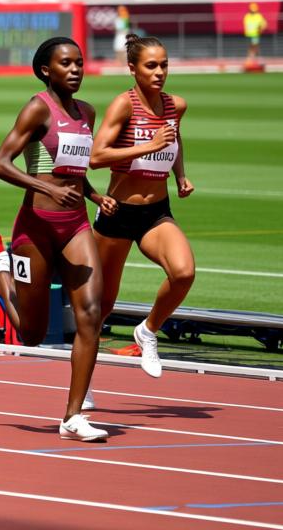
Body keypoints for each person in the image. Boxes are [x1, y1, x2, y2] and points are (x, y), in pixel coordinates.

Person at [0, 37, 117, 442]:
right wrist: (47, 189)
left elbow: (73, 168)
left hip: (75, 225)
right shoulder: (38, 108)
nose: (75, 70)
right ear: (45, 71)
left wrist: (94, 194)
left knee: (90, 314)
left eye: (79, 63)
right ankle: (1, 274)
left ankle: (73, 417)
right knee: (33, 335)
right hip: (35, 226)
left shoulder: (86, 111)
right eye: (65, 64)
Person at [90, 33, 194, 387]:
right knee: (100, 307)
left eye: (164, 65)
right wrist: (146, 146)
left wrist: (180, 175)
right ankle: (82, 388)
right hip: (118, 213)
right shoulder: (124, 105)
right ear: (132, 69)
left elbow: (175, 138)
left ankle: (148, 331)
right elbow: (96, 157)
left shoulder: (175, 105)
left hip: (156, 212)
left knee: (183, 272)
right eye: (151, 66)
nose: (159, 72)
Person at [244, 2, 268, 68]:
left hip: (255, 34)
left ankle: (254, 59)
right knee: (251, 47)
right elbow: (246, 25)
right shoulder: (247, 16)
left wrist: (261, 29)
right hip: (249, 34)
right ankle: (251, 59)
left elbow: (264, 24)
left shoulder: (258, 16)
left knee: (255, 47)